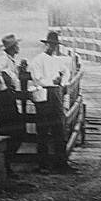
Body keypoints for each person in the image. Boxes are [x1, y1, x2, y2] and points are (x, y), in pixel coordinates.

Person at [30, 31, 75, 174]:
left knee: (59, 129)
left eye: (55, 45)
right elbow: (37, 79)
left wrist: (62, 82)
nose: (53, 47)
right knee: (42, 130)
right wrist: (51, 81)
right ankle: (43, 165)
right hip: (43, 95)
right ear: (46, 44)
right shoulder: (37, 60)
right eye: (51, 44)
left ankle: (61, 163)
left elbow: (66, 72)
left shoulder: (57, 60)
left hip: (55, 94)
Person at [0, 34, 23, 175]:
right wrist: (3, 89)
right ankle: (4, 166)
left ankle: (5, 164)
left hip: (8, 98)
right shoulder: (3, 59)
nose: (18, 47)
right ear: (12, 48)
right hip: (4, 99)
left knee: (13, 130)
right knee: (12, 130)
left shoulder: (10, 60)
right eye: (16, 45)